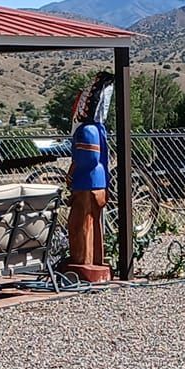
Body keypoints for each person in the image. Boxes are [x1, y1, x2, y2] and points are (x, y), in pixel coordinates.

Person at [67, 71, 113, 272]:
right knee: (93, 224)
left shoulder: (86, 131)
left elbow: (89, 159)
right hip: (99, 182)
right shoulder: (99, 129)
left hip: (85, 183)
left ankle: (84, 261)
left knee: (80, 223)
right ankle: (93, 259)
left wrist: (72, 170)